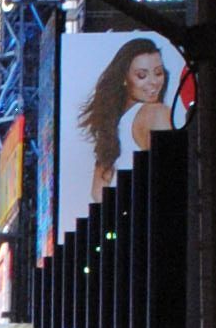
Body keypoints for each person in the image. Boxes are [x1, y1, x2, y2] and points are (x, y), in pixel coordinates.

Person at [78, 37, 192, 207]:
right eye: (142, 75)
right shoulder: (155, 113)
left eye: (158, 73)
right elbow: (169, 179)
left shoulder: (114, 127)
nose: (153, 81)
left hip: (125, 218)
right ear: (124, 79)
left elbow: (98, 193)